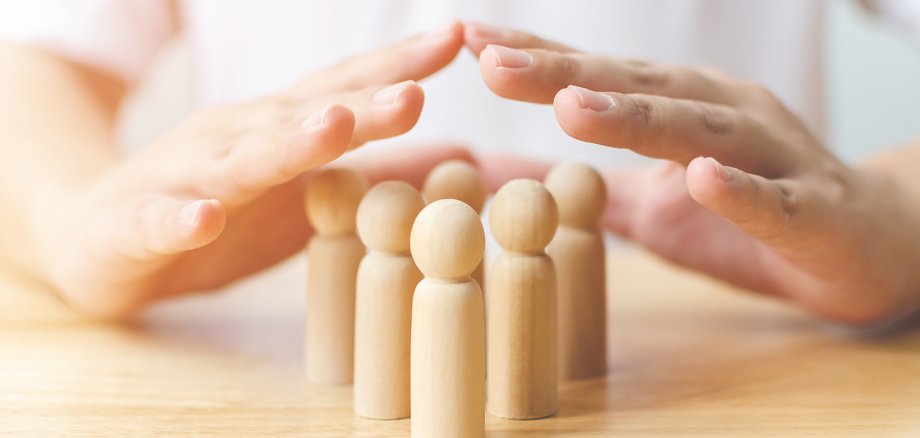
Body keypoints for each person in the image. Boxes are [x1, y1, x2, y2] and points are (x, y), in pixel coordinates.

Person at [0, 1, 918, 325]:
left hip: (748, 340)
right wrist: (64, 211)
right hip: (259, 338)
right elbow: (37, 57)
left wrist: (900, 214)